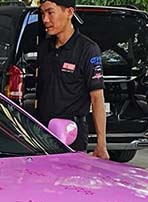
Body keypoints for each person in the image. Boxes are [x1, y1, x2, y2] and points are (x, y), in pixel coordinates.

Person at [35, 0, 108, 159]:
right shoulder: (44, 49)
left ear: (69, 12)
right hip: (42, 134)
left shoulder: (88, 49)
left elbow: (97, 99)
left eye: (50, 12)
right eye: (42, 14)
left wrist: (101, 144)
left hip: (71, 135)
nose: (45, 19)